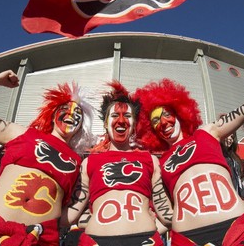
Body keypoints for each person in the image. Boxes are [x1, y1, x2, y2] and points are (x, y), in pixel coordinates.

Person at [134, 39, 244, 246]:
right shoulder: (159, 163)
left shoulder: (207, 132)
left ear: (179, 112)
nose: (163, 123)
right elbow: (164, 214)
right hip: (187, 239)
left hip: (237, 230)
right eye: (155, 121)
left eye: (167, 115)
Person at [0, 70, 95, 246]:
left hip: (37, 236)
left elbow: (71, 213)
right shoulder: (22, 133)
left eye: (78, 115)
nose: (71, 115)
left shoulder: (78, 162)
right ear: (52, 114)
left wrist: (48, 224)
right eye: (65, 109)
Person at [61, 80, 173, 246]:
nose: (121, 121)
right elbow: (73, 212)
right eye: (114, 116)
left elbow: (167, 215)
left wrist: (152, 232)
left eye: (127, 116)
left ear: (134, 125)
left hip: (145, 240)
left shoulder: (150, 160)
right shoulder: (90, 162)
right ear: (106, 124)